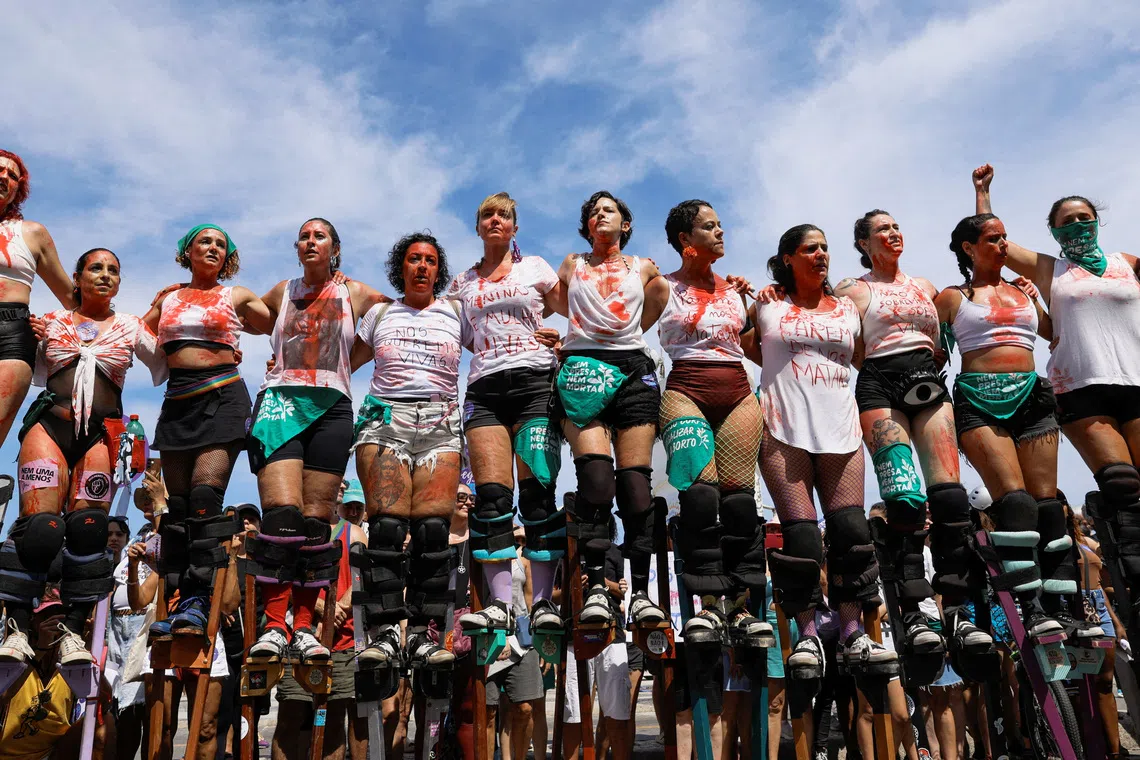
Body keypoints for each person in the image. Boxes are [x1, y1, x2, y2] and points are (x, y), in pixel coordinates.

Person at [972, 165, 1140, 598]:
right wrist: (983, 195)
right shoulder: (1052, 270)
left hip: (1134, 382)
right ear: (1052, 231)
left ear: (1098, 222)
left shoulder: (1129, 264)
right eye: (1067, 222)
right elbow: (997, 245)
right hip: (1080, 385)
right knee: (1122, 483)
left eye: (1085, 218)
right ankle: (1134, 578)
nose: (1079, 225)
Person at [1, 248, 167, 664]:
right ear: (76, 277)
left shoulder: (130, 327)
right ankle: (16, 627)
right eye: (96, 268)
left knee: (90, 528)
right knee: (40, 527)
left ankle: (73, 630)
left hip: (100, 434)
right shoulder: (50, 322)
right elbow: (20, 362)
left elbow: (170, 362)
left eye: (114, 270)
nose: (106, 275)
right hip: (49, 426)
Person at [836, 209, 988, 659]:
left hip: (927, 379)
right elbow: (839, 335)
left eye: (897, 226)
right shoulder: (853, 289)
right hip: (880, 384)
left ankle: (956, 607)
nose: (893, 233)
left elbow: (960, 314)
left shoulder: (925, 286)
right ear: (864, 243)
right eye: (883, 229)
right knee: (903, 499)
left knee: (949, 497)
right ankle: (916, 605)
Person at [755, 225, 894, 676]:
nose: (820, 254)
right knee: (802, 536)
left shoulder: (848, 308)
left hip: (842, 426)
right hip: (783, 425)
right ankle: (810, 633)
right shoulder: (767, 303)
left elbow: (868, 357)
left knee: (852, 530)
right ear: (788, 258)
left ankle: (853, 631)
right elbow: (743, 347)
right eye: (809, 249)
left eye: (825, 248)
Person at [246, 218, 386, 664]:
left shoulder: (356, 292)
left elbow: (394, 320)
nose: (310, 241)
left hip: (332, 406)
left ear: (335, 249)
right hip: (281, 402)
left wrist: (351, 362)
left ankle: (304, 628)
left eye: (319, 236)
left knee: (314, 523)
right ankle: (273, 625)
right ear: (296, 247)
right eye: (304, 236)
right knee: (281, 517)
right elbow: (243, 320)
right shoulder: (280, 291)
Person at [641, 198, 769, 644]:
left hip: (737, 391)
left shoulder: (735, 289)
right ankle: (707, 606)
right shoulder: (661, 287)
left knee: (739, 503)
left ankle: (740, 608)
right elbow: (619, 331)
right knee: (699, 496)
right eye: (709, 226)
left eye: (720, 225)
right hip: (685, 390)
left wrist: (766, 304)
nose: (720, 232)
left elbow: (756, 347)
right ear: (684, 239)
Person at [144, 224, 273, 639]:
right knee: (178, 508)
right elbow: (132, 332)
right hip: (177, 402)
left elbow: (280, 321)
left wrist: (329, 285)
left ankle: (200, 597)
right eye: (205, 241)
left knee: (204, 497)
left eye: (221, 244)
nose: (213, 247)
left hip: (222, 398)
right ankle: (180, 596)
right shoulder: (169, 297)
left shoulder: (234, 296)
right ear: (188, 251)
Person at [452, 191, 567, 638]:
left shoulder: (535, 267)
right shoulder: (462, 281)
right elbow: (449, 330)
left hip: (536, 385)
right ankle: (500, 606)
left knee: (538, 492)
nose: (495, 220)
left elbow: (581, 311)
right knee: (494, 497)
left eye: (503, 215)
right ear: (478, 227)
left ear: (514, 228)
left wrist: (562, 339)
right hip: (485, 388)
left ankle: (540, 606)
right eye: (487, 215)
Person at [351, 231, 465, 668]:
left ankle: (421, 634)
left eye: (430, 261)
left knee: (433, 532)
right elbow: (345, 359)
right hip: (387, 421)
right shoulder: (381, 313)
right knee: (386, 529)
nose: (422, 266)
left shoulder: (456, 311)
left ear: (439, 270)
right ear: (401, 268)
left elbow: (497, 341)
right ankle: (383, 634)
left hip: (440, 421)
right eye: (414, 259)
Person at [553, 190, 666, 630]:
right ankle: (598, 584)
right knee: (597, 484)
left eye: (609, 210)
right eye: (593, 212)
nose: (601, 215)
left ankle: (640, 593)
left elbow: (656, 302)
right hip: (582, 368)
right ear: (586, 227)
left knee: (636, 488)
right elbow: (556, 305)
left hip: (633, 369)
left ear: (626, 224)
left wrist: (629, 336)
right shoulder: (570, 265)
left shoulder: (644, 267)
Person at [272, 510, 367, 760]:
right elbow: (281, 580)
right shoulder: (292, 531)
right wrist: (322, 608)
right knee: (290, 716)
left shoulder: (354, 533)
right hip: (300, 637)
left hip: (342, 640)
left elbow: (361, 579)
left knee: (333, 718)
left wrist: (337, 612)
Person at [0, 149, 77, 450]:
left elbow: (75, 299)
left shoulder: (31, 233)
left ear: (19, 189)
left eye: (12, 175)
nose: (4, 176)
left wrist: (54, 328)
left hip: (11, 335)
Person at [0, 589, 93, 759]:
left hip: (54, 752)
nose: (55, 623)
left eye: (60, 617)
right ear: (32, 620)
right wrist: (40, 650)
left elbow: (102, 700)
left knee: (105, 723)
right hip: (10, 754)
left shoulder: (72, 659)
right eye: (47, 616)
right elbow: (3, 695)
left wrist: (90, 642)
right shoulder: (12, 657)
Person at [1069, 492, 1127, 759]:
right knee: (1081, 685)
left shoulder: (1086, 542)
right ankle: (1091, 746)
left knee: (1105, 682)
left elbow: (1102, 584)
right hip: (1073, 608)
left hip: (1099, 610)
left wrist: (1116, 623)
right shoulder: (1055, 545)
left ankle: (1114, 750)